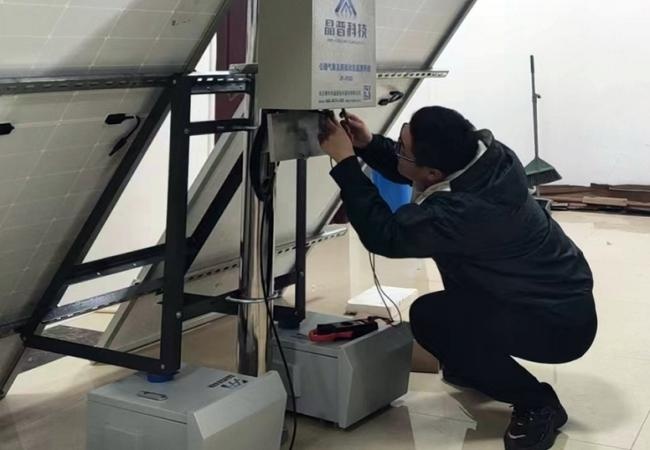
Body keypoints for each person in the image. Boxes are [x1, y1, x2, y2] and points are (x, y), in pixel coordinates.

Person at [319, 106, 597, 450]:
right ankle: (474, 364)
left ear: (434, 172)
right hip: (547, 293)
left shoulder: (465, 211)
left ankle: (537, 403)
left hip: (557, 325)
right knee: (452, 317)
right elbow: (414, 169)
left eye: (402, 147)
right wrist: (369, 143)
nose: (398, 149)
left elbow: (386, 235)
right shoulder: (486, 156)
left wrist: (347, 164)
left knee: (431, 319)